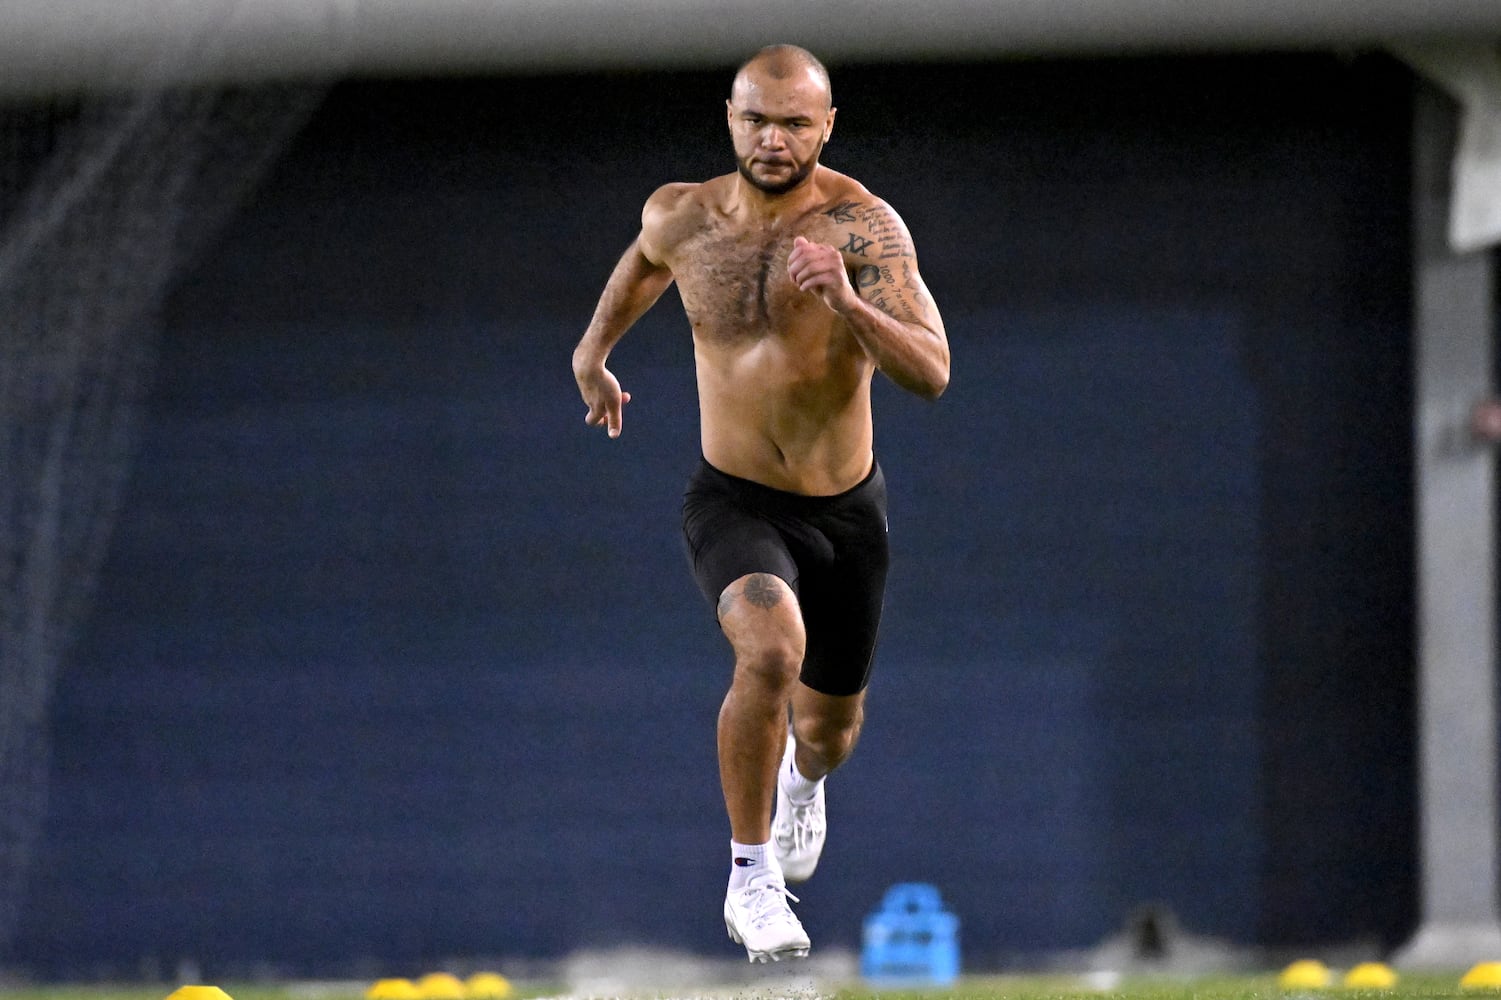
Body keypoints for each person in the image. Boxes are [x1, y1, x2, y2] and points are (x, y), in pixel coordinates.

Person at [571, 43, 949, 963]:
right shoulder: (684, 213)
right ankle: (750, 878)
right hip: (733, 499)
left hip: (845, 512)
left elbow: (932, 372)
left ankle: (801, 787)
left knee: (828, 731)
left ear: (826, 126)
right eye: (755, 119)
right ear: (730, 118)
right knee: (771, 648)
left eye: (793, 123)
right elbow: (645, 265)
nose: (772, 139)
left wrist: (849, 304)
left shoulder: (865, 229)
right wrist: (593, 353)